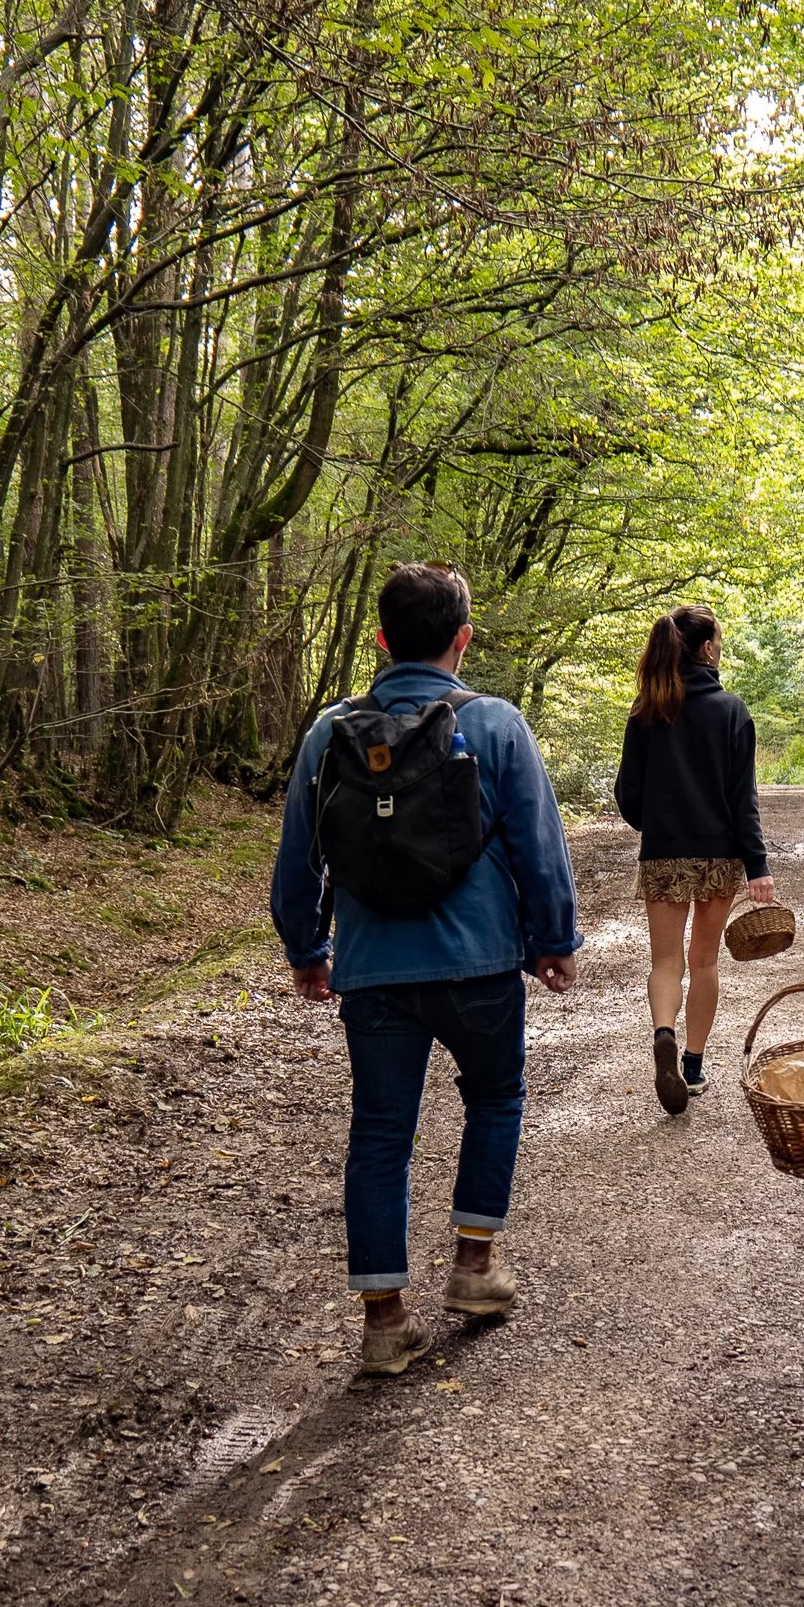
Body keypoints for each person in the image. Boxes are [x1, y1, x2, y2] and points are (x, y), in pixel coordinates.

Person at [272, 562, 582, 1377]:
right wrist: (554, 941)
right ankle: (475, 1267)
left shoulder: (328, 732)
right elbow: (539, 845)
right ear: (463, 638)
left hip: (373, 971)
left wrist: (309, 951)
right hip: (480, 963)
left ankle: (384, 1323)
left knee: (379, 1137)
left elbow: (295, 863)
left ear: (379, 640)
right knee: (496, 1098)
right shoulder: (498, 725)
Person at [613, 604, 775, 1115]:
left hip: (663, 853)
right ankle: (692, 1065)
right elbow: (742, 800)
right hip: (718, 854)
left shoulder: (646, 710)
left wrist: (658, 824)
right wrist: (758, 867)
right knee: (703, 961)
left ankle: (663, 1031)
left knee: (665, 961)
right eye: (719, 642)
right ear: (707, 648)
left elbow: (627, 795)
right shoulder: (731, 710)